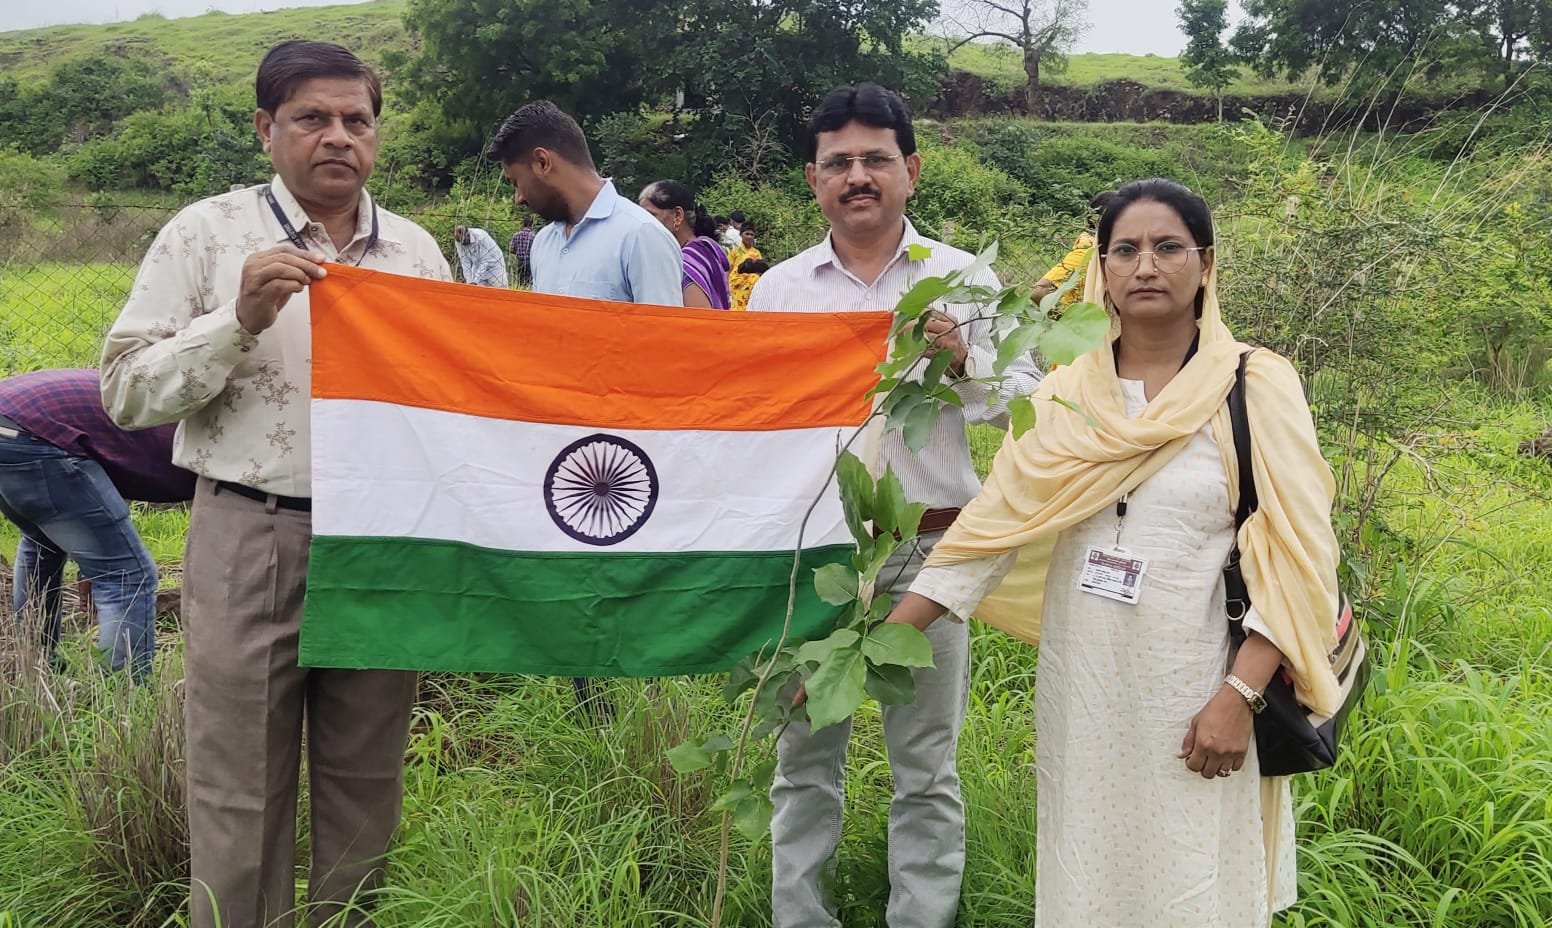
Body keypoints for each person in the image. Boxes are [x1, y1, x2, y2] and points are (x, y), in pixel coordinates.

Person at [882, 178, 1344, 926]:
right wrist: (867, 648)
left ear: (1206, 264)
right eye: (1125, 250)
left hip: (1203, 692)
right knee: (1088, 871)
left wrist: (1241, 696)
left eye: (1168, 248)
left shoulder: (1253, 384)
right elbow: (984, 534)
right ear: (1101, 269)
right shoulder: (1068, 394)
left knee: (1193, 878)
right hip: (1087, 691)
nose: (1145, 266)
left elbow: (1298, 557)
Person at [99, 40, 452, 928]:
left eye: (356, 120)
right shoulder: (207, 235)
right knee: (237, 781)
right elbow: (124, 391)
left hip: (382, 539)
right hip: (250, 530)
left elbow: (456, 401)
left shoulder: (414, 251)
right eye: (312, 118)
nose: (337, 137)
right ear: (266, 130)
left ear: (376, 133)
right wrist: (238, 319)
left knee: (367, 776)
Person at [748, 83, 1042, 928]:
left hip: (931, 551)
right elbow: (755, 421)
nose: (858, 176)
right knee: (801, 758)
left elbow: (1023, 396)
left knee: (926, 766)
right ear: (813, 179)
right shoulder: (778, 291)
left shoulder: (961, 278)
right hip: (815, 557)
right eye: (838, 162)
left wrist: (958, 364)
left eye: (876, 158)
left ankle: (922, 919)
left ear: (910, 169)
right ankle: (799, 918)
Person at [0, 368, 194, 681]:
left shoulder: (169, 411)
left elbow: (100, 491)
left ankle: (36, 671)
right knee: (127, 577)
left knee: (42, 542)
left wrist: (92, 568)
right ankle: (123, 697)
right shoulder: (208, 453)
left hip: (17, 425)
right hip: (37, 434)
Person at [483, 100, 682, 306]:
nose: (518, 199)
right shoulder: (543, 243)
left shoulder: (641, 236)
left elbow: (664, 336)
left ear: (542, 162)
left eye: (516, 183)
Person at [638, 179, 733, 309]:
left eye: (650, 215)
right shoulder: (704, 249)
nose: (642, 223)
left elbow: (697, 322)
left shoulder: (688, 263)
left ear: (677, 215)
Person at [1032, 190, 1114, 310]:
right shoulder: (1088, 251)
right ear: (1097, 220)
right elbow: (1039, 291)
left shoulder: (1105, 248)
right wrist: (1068, 322)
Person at [726, 225, 764, 312]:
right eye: (747, 234)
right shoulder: (735, 251)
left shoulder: (756, 253)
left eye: (752, 235)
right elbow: (728, 269)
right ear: (741, 234)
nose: (749, 237)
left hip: (752, 285)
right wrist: (726, 287)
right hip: (737, 284)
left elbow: (760, 270)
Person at [509, 216, 536, 286]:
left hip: (519, 262)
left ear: (523, 224)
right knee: (529, 282)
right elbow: (536, 251)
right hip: (529, 262)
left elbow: (511, 250)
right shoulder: (533, 236)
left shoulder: (516, 235)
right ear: (531, 225)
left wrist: (518, 252)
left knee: (520, 281)